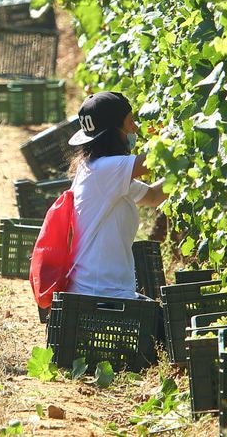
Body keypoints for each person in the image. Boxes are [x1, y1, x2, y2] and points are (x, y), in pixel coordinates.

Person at [65, 91, 167, 299]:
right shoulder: (105, 169)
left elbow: (154, 196)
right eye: (130, 122)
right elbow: (154, 159)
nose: (135, 128)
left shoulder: (100, 171)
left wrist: (188, 176)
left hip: (99, 289)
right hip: (101, 292)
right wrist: (174, 135)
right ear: (113, 131)